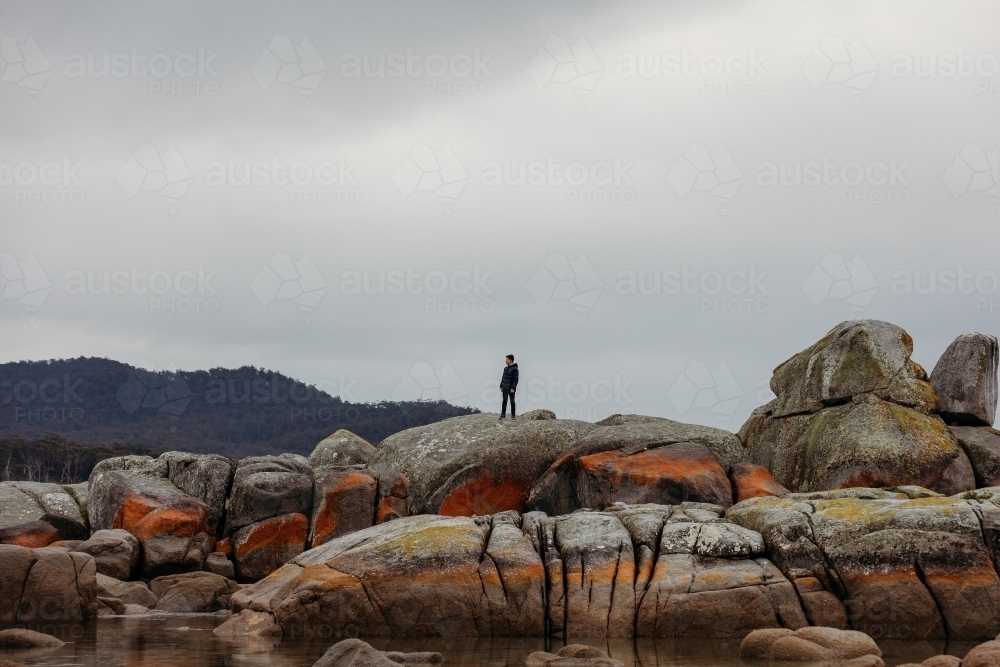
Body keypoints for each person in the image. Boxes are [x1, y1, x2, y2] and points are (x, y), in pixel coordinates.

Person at [499, 354, 518, 420]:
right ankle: (503, 414)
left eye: (506, 359)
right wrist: (501, 385)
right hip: (505, 387)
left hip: (511, 388)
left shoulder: (515, 369)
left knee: (512, 401)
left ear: (510, 360)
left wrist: (513, 388)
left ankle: (513, 415)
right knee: (504, 400)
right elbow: (503, 378)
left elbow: (516, 379)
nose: (505, 361)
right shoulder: (505, 369)